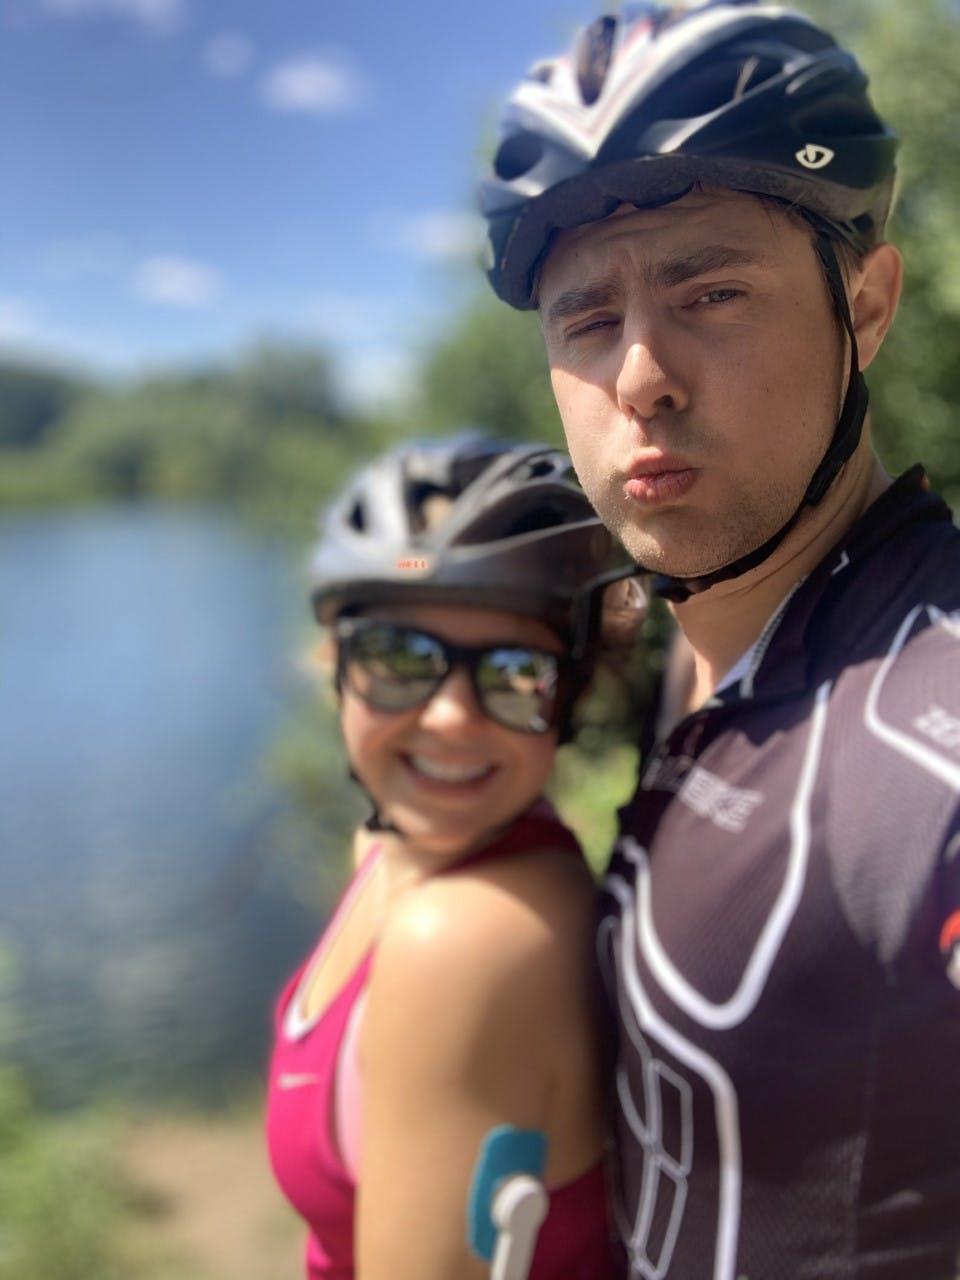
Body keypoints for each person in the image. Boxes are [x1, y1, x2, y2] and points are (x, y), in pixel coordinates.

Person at [479, 3, 960, 1277]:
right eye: (587, 322)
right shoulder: (700, 640)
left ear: (865, 304)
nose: (642, 374)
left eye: (713, 290)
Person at [265, 437, 634, 1279]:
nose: (450, 720)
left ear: (569, 698)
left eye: (514, 673)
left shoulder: (462, 940)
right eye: (401, 659)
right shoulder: (400, 853)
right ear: (337, 668)